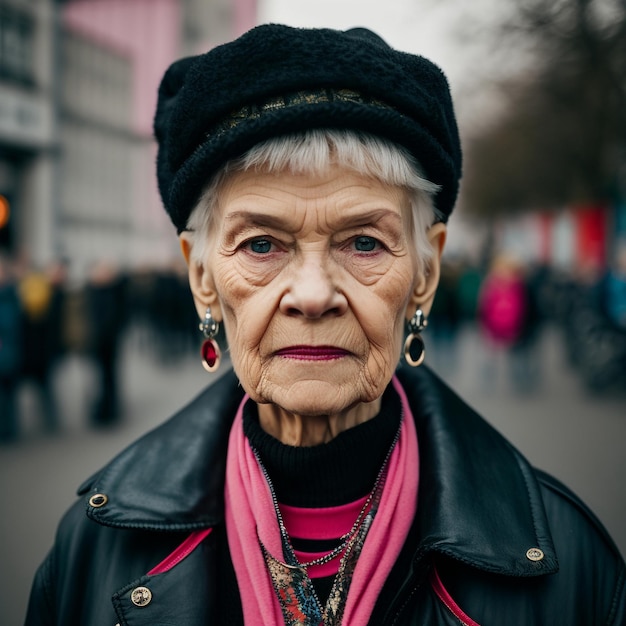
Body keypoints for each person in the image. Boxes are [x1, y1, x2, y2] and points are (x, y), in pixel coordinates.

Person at [25, 24, 625, 625]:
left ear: (425, 271)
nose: (313, 296)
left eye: (364, 242)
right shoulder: (92, 549)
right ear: (202, 277)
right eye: (262, 244)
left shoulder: (571, 567)